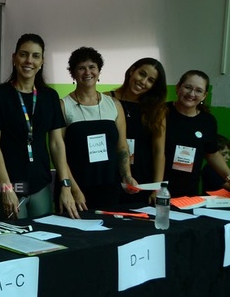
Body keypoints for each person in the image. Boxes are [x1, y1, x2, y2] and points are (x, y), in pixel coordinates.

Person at [0, 34, 76, 219]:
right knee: (14, 235)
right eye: (23, 54)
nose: (29, 61)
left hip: (40, 184)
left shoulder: (50, 97)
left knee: (44, 234)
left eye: (35, 56)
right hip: (10, 185)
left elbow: (57, 143)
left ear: (42, 61)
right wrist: (6, 187)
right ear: (14, 57)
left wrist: (66, 186)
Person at [60, 47, 135, 214]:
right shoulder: (64, 106)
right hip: (77, 189)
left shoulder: (114, 104)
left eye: (92, 67)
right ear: (73, 74)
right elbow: (59, 153)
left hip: (110, 187)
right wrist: (73, 189)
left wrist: (127, 175)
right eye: (81, 68)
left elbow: (122, 147)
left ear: (99, 71)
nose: (88, 72)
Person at [106, 58, 167, 204]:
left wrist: (156, 188)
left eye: (150, 80)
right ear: (132, 71)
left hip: (141, 179)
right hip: (110, 174)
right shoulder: (106, 99)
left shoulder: (156, 110)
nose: (143, 82)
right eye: (142, 74)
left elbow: (158, 151)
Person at [164, 70, 230, 197]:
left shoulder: (207, 121)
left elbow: (212, 153)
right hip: (159, 187)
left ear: (204, 96)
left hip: (189, 190)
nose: (191, 94)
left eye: (199, 90)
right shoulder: (161, 113)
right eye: (188, 87)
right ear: (178, 87)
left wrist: (229, 176)